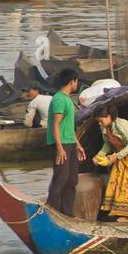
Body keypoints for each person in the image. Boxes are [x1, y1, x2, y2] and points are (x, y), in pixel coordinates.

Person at [95, 105, 128, 219]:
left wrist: (116, 157)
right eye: (98, 121)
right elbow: (108, 143)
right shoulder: (104, 128)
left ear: (109, 116)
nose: (99, 123)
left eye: (101, 121)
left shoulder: (120, 125)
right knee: (116, 178)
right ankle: (117, 212)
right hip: (121, 152)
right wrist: (99, 155)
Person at [46, 69, 85, 216]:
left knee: (72, 180)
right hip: (61, 144)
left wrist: (78, 145)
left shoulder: (68, 99)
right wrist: (59, 147)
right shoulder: (59, 99)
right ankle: (51, 211)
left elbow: (68, 127)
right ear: (72, 81)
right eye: (76, 81)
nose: (77, 84)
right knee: (61, 177)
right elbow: (56, 124)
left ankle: (67, 213)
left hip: (70, 143)